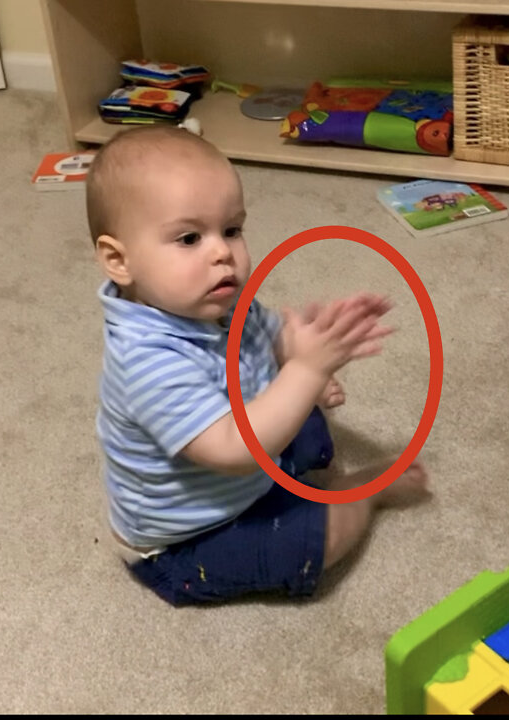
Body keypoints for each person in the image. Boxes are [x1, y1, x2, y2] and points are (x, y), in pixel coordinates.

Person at [88, 125, 429, 606]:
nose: (222, 252)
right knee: (309, 543)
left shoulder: (220, 302)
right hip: (190, 538)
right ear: (119, 260)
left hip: (246, 468)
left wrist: (308, 347)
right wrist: (306, 373)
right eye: (189, 237)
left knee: (302, 413)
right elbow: (232, 448)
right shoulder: (145, 359)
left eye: (231, 229)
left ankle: (298, 477)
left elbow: (272, 336)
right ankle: (365, 493)